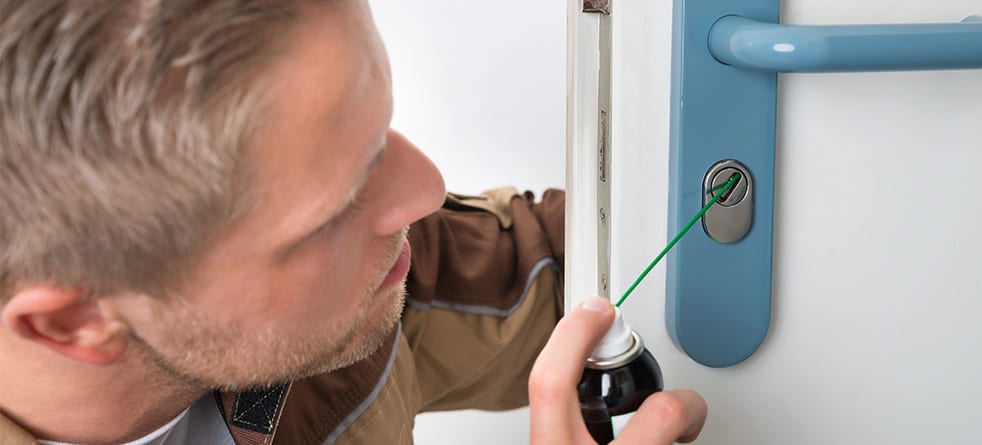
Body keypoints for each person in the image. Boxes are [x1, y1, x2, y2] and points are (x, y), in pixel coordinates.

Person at [0, 0, 706, 444]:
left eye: (382, 130)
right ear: (74, 321)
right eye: (334, 209)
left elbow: (579, 264)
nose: (426, 190)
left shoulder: (377, 271)